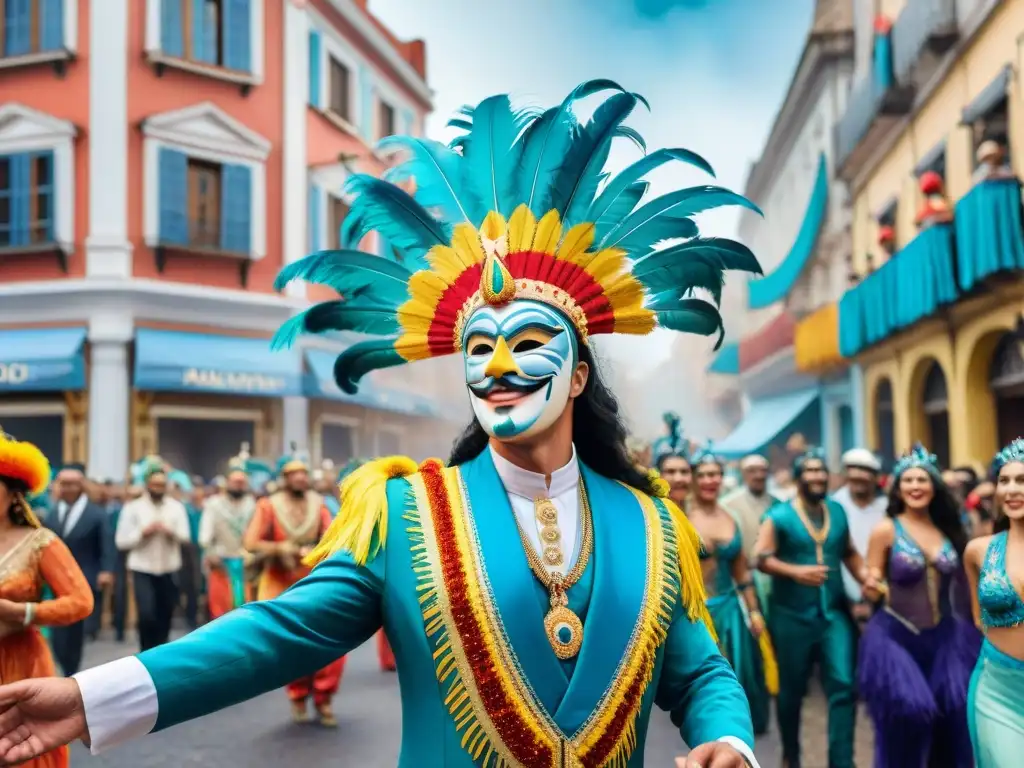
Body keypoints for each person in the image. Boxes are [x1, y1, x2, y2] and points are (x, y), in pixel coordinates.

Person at [0, 82, 763, 768]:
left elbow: (699, 671)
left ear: (581, 372)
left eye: (529, 344)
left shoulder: (653, 524)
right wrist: (89, 698)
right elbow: (276, 633)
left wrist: (726, 740)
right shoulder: (406, 513)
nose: (498, 366)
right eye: (478, 348)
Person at [858, 443, 980, 767]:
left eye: (922, 480)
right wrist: (871, 585)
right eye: (908, 480)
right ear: (898, 487)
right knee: (905, 725)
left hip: (945, 639)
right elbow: (872, 577)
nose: (915, 486)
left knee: (953, 724)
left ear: (934, 487)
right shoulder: (886, 530)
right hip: (895, 640)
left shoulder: (947, 529)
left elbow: (966, 584)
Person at [754, 447, 869, 768]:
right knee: (791, 691)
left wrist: (866, 579)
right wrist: (795, 572)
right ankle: (791, 754)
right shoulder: (779, 516)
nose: (817, 476)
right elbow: (759, 559)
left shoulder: (838, 511)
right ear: (798, 478)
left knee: (844, 685)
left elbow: (849, 552)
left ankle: (842, 761)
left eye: (821, 471)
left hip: (834, 615)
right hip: (791, 617)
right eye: (810, 471)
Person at [0, 430, 94, 768]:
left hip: (20, 664)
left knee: (19, 751)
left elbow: (81, 601)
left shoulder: (40, 542)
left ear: (14, 496)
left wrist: (20, 611)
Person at [242, 449, 342, 726]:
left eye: (303, 473)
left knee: (329, 640)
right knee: (291, 643)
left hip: (315, 581)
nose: (299, 478)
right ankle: (298, 696)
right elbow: (251, 543)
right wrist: (280, 547)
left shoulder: (319, 503)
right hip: (280, 582)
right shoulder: (267, 505)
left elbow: (333, 537)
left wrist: (317, 549)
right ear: (284, 478)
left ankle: (324, 700)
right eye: (293, 474)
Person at [688, 444, 773, 736]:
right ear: (694, 478)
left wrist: (753, 611)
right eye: (704, 475)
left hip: (731, 612)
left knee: (745, 683)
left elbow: (741, 571)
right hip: (696, 614)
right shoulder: (680, 517)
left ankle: (739, 746)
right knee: (704, 691)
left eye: (716, 474)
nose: (711, 480)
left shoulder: (730, 517)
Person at [964, 437, 1024, 765]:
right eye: (1005, 480)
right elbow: (978, 618)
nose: (1012, 489)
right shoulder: (979, 551)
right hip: (998, 690)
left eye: (1022, 480)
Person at [43, 465, 114, 676]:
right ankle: (62, 659)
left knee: (75, 628)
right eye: (63, 483)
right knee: (57, 626)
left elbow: (106, 544)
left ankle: (71, 668)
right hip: (56, 578)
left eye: (72, 484)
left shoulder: (96, 514)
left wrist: (106, 570)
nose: (67, 488)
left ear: (81, 486)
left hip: (85, 575)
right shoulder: (53, 513)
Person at [115, 458, 191, 652]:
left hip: (169, 568)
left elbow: (186, 537)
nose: (159, 488)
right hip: (142, 568)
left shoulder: (176, 507)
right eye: (155, 484)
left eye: (162, 485)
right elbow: (121, 541)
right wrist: (143, 533)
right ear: (147, 484)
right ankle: (145, 652)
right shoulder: (133, 508)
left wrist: (169, 532)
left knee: (165, 614)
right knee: (146, 614)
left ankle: (160, 653)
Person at [198, 447, 261, 620]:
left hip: (246, 564)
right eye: (235, 481)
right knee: (220, 611)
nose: (238, 485)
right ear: (226, 482)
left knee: (246, 610)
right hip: (222, 563)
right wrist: (211, 554)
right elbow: (204, 536)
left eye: (242, 482)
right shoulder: (214, 504)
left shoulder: (253, 505)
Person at [831, 448, 887, 621]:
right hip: (841, 595)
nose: (859, 477)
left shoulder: (886, 506)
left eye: (865, 472)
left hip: (881, 591)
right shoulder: (834, 506)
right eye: (853, 472)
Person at [721, 454, 777, 620]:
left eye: (762, 470)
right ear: (743, 473)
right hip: (740, 582)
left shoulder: (779, 504)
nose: (758, 475)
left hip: (774, 580)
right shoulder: (727, 505)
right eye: (752, 471)